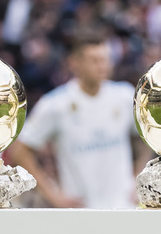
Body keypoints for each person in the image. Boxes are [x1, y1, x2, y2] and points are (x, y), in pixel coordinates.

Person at [10, 33, 151, 208]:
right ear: (74, 63)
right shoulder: (55, 104)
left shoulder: (124, 95)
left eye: (105, 59)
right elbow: (20, 150)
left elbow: (150, 136)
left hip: (124, 206)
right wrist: (53, 195)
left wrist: (140, 175)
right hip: (80, 212)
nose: (102, 66)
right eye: (94, 60)